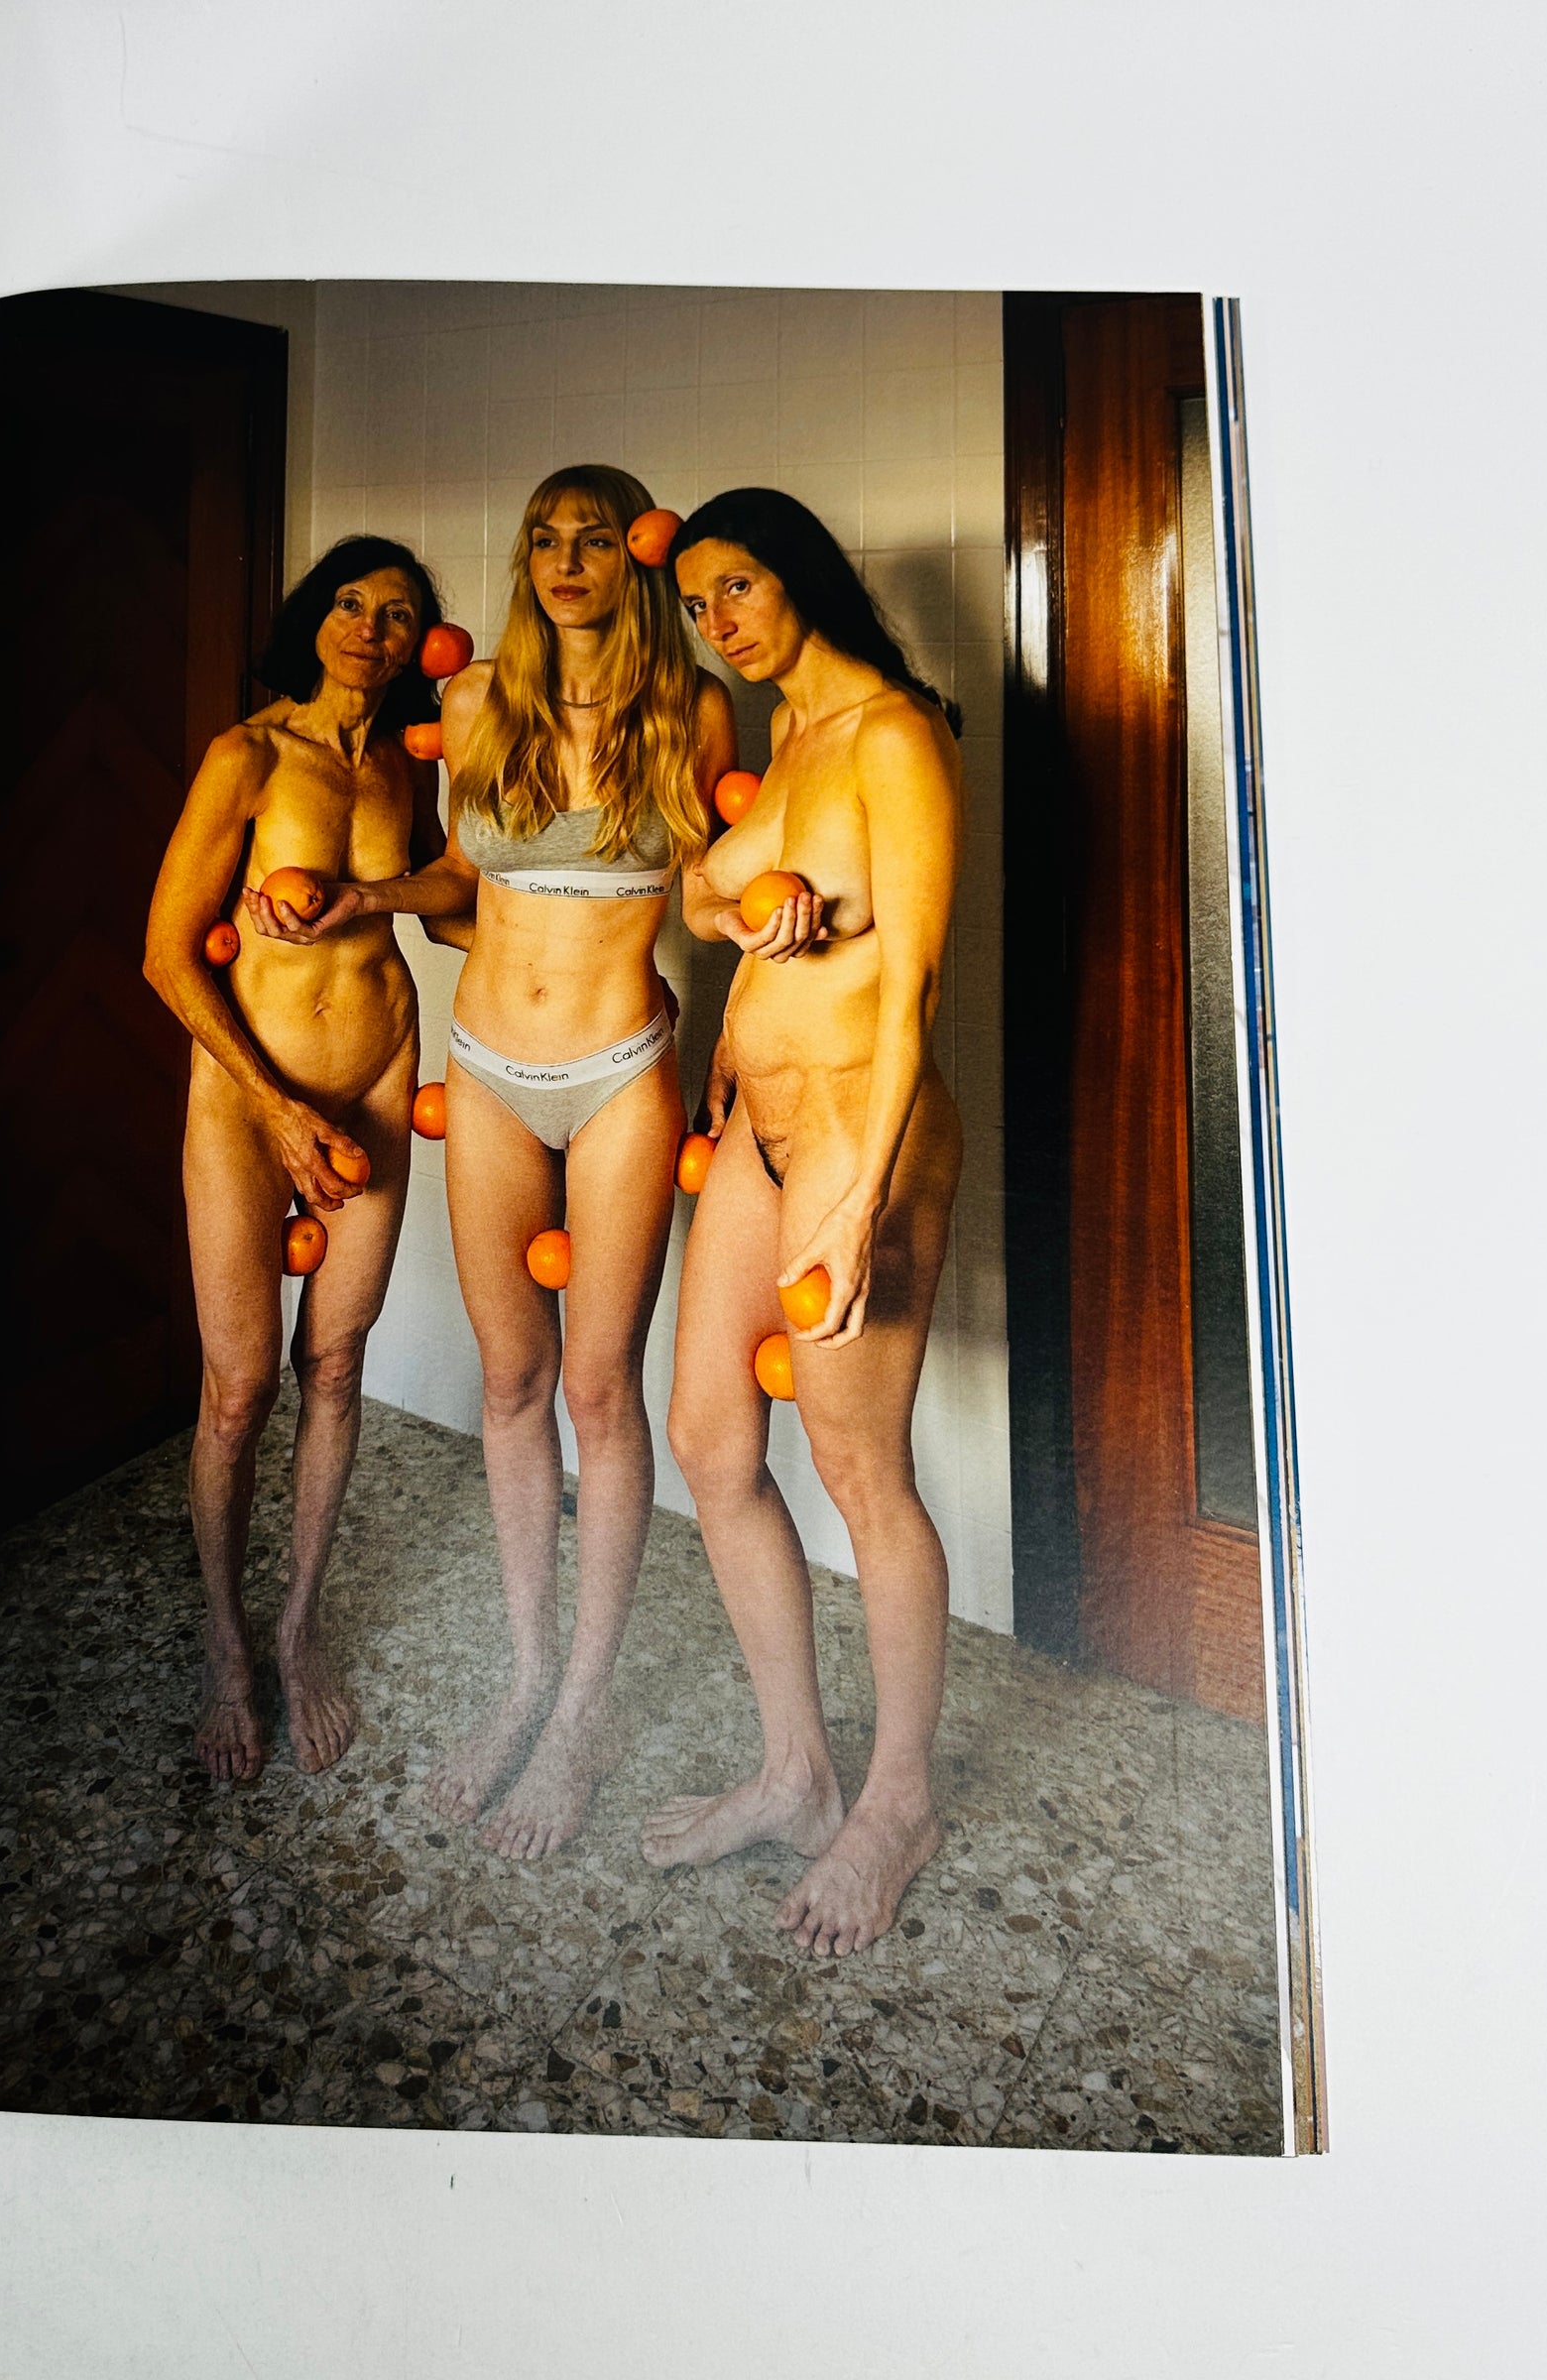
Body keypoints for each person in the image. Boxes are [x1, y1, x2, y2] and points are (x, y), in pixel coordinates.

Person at [260, 465, 733, 1859]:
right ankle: (528, 1677)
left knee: (597, 1387)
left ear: (634, 556)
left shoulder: (692, 709)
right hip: (484, 1071)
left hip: (622, 1072)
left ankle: (583, 1711)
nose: (566, 558)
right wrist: (367, 895)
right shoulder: (474, 704)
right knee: (512, 1383)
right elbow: (462, 886)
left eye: (593, 537)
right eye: (544, 539)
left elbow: (715, 885)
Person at [640, 486, 965, 1958]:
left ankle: (897, 1805)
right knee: (710, 1443)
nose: (718, 623)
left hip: (854, 1138)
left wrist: (863, 1192)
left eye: (738, 589)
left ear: (802, 577)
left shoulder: (895, 735)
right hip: (755, 1137)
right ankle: (795, 1771)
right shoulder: (785, 736)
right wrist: (738, 922)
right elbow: (710, 889)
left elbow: (912, 993)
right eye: (697, 604)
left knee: (859, 1471)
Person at [142, 537, 445, 1783]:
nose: (370, 627)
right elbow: (167, 954)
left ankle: (298, 1628)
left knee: (336, 1364)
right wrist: (272, 1112)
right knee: (238, 1388)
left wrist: (375, 900)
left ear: (419, 644)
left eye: (399, 614)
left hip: (376, 1081)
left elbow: (448, 899)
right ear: (313, 619)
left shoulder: (409, 763)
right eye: (351, 604)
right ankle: (227, 1647)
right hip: (246, 1100)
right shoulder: (250, 755)